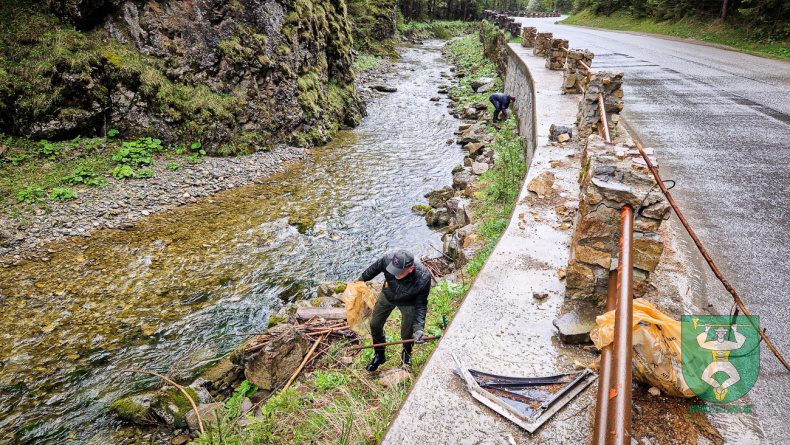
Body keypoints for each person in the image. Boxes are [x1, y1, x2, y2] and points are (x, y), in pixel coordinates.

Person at [357, 250, 431, 371]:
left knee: (407, 334)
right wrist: (359, 281)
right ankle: (379, 355)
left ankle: (406, 356)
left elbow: (421, 304)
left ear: (410, 268)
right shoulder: (387, 260)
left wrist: (419, 328)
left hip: (409, 302)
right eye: (393, 270)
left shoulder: (423, 278)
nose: (395, 274)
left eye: (399, 272)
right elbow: (373, 269)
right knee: (374, 325)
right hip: (387, 295)